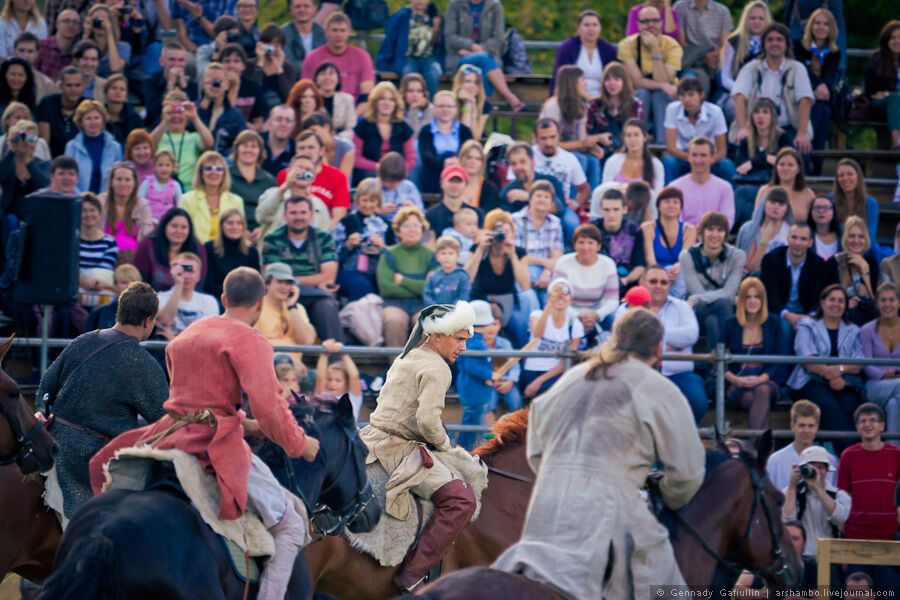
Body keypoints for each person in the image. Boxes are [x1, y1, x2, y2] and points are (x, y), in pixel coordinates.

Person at [90, 267, 319, 600]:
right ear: (260, 304)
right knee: (292, 525)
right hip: (213, 442)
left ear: (224, 299)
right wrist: (302, 445)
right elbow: (270, 412)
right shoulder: (251, 339)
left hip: (168, 433)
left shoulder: (188, 334)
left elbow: (201, 396)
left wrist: (241, 419)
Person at [494, 307, 704, 598]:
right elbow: (687, 474)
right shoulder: (661, 389)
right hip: (614, 512)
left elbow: (536, 448)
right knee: (670, 592)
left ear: (615, 338)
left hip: (546, 508)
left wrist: (556, 477)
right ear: (659, 347)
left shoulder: (572, 376)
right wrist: (666, 493)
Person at [358, 300, 481, 592]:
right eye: (459, 338)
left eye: (466, 339)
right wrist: (446, 445)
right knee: (462, 500)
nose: (463, 347)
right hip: (398, 451)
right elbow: (427, 422)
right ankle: (411, 576)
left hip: (370, 438)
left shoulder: (407, 356)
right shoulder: (437, 367)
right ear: (437, 335)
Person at [39, 282, 168, 519]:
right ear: (148, 320)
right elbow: (165, 421)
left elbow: (46, 387)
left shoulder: (83, 340)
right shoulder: (141, 363)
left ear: (119, 311)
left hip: (54, 444)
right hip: (95, 463)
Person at [260, 194, 344, 344]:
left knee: (327, 305)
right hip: (283, 295)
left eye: (303, 213)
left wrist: (291, 280)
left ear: (311, 215)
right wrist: (312, 283)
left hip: (315, 298)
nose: (298, 217)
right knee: (324, 296)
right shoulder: (272, 239)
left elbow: (328, 277)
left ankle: (336, 362)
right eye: (293, 213)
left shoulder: (323, 238)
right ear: (285, 215)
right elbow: (271, 276)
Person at [632, 264, 708, 422]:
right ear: (642, 283)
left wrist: (649, 337)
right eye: (653, 281)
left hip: (678, 373)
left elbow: (691, 335)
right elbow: (628, 338)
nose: (658, 286)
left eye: (664, 282)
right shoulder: (629, 306)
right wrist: (670, 343)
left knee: (697, 401)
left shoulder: (682, 307)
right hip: (639, 373)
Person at [788, 284, 865, 437]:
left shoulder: (853, 330)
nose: (836, 304)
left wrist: (840, 371)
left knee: (851, 406)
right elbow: (808, 360)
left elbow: (859, 362)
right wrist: (831, 374)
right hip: (810, 381)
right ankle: (849, 454)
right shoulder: (806, 325)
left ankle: (845, 454)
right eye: (832, 300)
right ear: (822, 303)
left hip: (844, 382)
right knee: (828, 406)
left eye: (841, 301)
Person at [731, 23, 814, 155]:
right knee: (740, 151)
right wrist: (742, 128)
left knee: (800, 152)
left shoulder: (797, 68)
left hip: (788, 128)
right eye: (770, 39)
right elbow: (739, 97)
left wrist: (802, 133)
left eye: (779, 39)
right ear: (763, 44)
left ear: (786, 44)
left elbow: (806, 99)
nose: (774, 43)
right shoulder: (751, 68)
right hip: (756, 128)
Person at [466, 208, 536, 348]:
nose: (501, 236)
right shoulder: (477, 249)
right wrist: (480, 250)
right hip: (481, 299)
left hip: (508, 300)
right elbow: (467, 279)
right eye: (497, 232)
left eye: (506, 232)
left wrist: (512, 255)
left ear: (512, 233)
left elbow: (525, 286)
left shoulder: (518, 252)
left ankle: (523, 355)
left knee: (520, 319)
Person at [761, 222, 828, 362]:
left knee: (810, 329)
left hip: (807, 314)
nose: (798, 243)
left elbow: (818, 298)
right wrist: (787, 315)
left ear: (810, 243)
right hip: (778, 312)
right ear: (788, 238)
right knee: (784, 328)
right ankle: (780, 378)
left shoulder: (818, 264)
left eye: (803, 239)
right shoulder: (771, 260)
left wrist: (807, 317)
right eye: (794, 237)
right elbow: (770, 295)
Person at [617, 5, 683, 144]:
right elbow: (637, 82)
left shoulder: (672, 45)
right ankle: (637, 142)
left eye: (655, 20)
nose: (651, 25)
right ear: (638, 24)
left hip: (666, 96)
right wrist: (663, 85)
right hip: (637, 94)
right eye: (645, 21)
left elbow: (665, 79)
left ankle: (663, 145)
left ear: (661, 22)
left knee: (660, 95)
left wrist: (655, 50)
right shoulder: (626, 45)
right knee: (643, 94)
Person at [721, 277, 781, 429]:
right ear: (741, 300)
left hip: (765, 379)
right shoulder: (729, 324)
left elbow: (779, 361)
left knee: (763, 390)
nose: (752, 301)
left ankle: (751, 446)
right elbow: (717, 358)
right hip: (737, 383)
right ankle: (762, 450)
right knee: (758, 401)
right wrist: (734, 379)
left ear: (763, 300)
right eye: (748, 297)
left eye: (757, 297)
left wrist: (761, 378)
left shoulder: (773, 323)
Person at [680, 211, 746, 348]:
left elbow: (727, 292)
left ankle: (714, 365)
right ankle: (729, 359)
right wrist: (730, 298)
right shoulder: (687, 257)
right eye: (710, 229)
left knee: (713, 321)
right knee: (722, 304)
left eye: (720, 230)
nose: (715, 235)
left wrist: (695, 299)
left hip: (721, 311)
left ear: (725, 235)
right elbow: (696, 292)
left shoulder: (738, 256)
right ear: (702, 233)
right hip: (699, 312)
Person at [443, 0, 523, 110]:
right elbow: (449, 36)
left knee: (483, 64)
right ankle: (509, 98)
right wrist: (471, 46)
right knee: (483, 59)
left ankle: (479, 110)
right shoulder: (455, 5)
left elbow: (498, 39)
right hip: (459, 58)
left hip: (488, 56)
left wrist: (479, 50)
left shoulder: (495, 6)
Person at [839, 403, 900, 545]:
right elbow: (843, 495)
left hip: (891, 536)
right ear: (857, 427)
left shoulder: (897, 455)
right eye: (862, 421)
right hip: (855, 535)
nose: (867, 424)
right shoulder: (848, 455)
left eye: (873, 420)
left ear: (882, 426)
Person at [377, 206, 434, 348]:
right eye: (406, 226)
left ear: (422, 229)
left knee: (424, 323)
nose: (412, 229)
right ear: (398, 231)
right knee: (394, 321)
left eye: (416, 225)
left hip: (423, 303)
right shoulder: (388, 253)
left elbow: (431, 289)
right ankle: (396, 368)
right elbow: (386, 287)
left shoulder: (431, 255)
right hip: (394, 302)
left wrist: (403, 280)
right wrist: (419, 285)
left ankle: (419, 368)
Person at [519, 278, 583, 399]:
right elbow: (538, 335)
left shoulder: (574, 324)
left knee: (548, 394)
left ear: (571, 299)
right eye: (556, 291)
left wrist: (539, 381)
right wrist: (551, 302)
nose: (560, 295)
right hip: (532, 368)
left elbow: (568, 359)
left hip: (554, 372)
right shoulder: (537, 315)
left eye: (565, 292)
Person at [782, 445, 851, 557]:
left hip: (828, 557)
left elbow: (839, 518)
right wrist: (792, 486)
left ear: (827, 469)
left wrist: (818, 489)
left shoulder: (839, 495)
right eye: (811, 467)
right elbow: (787, 519)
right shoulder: (791, 491)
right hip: (799, 558)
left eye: (820, 467)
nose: (816, 472)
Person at [662, 77, 734, 184]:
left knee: (726, 165)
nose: (686, 99)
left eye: (691, 95)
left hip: (709, 157)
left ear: (701, 95)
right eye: (682, 95)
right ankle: (669, 197)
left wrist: (704, 160)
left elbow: (722, 151)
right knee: (669, 162)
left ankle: (731, 197)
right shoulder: (671, 109)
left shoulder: (715, 112)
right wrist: (693, 159)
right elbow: (671, 148)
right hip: (683, 156)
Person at [793, 8, 840, 168]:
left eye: (825, 24)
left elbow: (830, 75)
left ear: (831, 28)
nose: (821, 27)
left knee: (823, 109)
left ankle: (816, 160)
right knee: (819, 109)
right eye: (817, 23)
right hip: (800, 93)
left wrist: (823, 86)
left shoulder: (834, 52)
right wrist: (817, 85)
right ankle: (809, 161)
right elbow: (801, 70)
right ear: (810, 26)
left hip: (821, 97)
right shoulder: (798, 46)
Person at [730, 97, 788, 227]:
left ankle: (727, 228)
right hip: (751, 183)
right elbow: (741, 167)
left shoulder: (782, 138)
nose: (760, 116)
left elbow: (785, 161)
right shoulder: (746, 140)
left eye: (765, 112)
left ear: (772, 116)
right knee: (747, 207)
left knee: (742, 194)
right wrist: (767, 159)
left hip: (773, 185)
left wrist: (754, 163)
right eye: (757, 112)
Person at [332, 177, 392, 301]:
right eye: (364, 200)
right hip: (349, 271)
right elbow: (333, 254)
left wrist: (383, 247)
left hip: (378, 271)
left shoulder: (386, 225)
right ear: (357, 200)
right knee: (361, 285)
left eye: (372, 201)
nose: (368, 205)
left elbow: (395, 255)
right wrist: (348, 245)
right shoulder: (346, 222)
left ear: (378, 202)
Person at [531, 117, 589, 236]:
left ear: (559, 136)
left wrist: (576, 204)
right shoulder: (528, 155)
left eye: (552, 137)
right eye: (543, 138)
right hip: (533, 204)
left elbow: (584, 189)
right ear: (536, 138)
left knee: (572, 225)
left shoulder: (569, 159)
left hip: (561, 205)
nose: (548, 143)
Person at [300, 11, 373, 102]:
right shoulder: (312, 57)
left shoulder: (363, 57)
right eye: (334, 30)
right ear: (326, 32)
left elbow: (367, 96)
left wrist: (353, 115)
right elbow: (306, 92)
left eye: (342, 30)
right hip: (321, 108)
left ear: (349, 32)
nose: (339, 35)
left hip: (354, 109)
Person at [352, 81, 415, 184]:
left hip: (396, 173)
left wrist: (397, 169)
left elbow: (411, 159)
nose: (387, 103)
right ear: (375, 102)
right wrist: (377, 167)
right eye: (382, 99)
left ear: (395, 104)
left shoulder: (404, 127)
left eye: (391, 100)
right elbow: (355, 157)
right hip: (370, 173)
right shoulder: (362, 126)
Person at [766, 400, 838, 491]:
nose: (806, 431)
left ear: (817, 427)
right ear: (792, 426)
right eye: (802, 425)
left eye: (811, 426)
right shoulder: (775, 461)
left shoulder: (831, 462)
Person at [151, 89, 214, 192]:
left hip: (189, 191)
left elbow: (209, 143)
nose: (176, 116)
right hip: (161, 192)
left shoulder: (194, 137)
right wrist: (165, 121)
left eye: (180, 111)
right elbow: (149, 145)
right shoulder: (159, 135)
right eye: (172, 112)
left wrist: (195, 117)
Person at [256, 261, 316, 368]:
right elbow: (256, 344)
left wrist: (291, 307)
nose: (284, 287)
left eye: (288, 283)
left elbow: (308, 340)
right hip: (267, 365)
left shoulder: (297, 309)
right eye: (280, 282)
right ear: (267, 283)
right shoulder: (255, 307)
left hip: (295, 370)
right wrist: (288, 358)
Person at [376, 0, 443, 97]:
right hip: (408, 58)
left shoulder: (433, 16)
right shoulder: (401, 16)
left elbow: (438, 44)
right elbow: (390, 41)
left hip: (428, 58)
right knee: (408, 76)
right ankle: (407, 104)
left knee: (432, 76)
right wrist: (384, 61)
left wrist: (436, 28)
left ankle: (428, 104)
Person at [513, 181, 563, 306]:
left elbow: (557, 256)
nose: (542, 200)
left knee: (552, 299)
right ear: (530, 199)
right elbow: (517, 255)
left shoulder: (555, 223)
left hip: (547, 272)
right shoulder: (516, 220)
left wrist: (547, 272)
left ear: (552, 203)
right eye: (539, 196)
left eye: (546, 197)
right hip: (522, 269)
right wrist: (545, 262)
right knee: (531, 300)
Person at [256, 155, 331, 240]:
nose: (303, 173)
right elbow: (261, 217)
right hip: (275, 250)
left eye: (308, 170)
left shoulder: (319, 206)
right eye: (299, 168)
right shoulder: (272, 193)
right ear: (288, 172)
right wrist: (285, 187)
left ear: (313, 178)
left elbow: (325, 238)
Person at [641, 186, 696, 299]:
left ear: (681, 208)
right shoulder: (648, 227)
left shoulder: (689, 229)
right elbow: (650, 260)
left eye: (675, 202)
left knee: (682, 274)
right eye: (666, 202)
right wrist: (663, 274)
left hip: (678, 273)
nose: (671, 205)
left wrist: (676, 268)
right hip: (655, 272)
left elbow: (684, 257)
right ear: (659, 206)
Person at [179, 150, 245, 244]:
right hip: (196, 252)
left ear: (224, 173)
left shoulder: (236, 201)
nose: (214, 172)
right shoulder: (186, 200)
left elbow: (239, 234)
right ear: (201, 173)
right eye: (208, 168)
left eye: (219, 169)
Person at [455, 299, 496, 450]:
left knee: (474, 421)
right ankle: (464, 450)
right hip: (474, 391)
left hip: (472, 389)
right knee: (471, 423)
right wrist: (490, 374)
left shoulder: (470, 340)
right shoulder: (477, 343)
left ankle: (468, 447)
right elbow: (472, 366)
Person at [824, 216, 880, 326]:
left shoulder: (871, 262)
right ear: (845, 238)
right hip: (840, 316)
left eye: (861, 236)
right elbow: (825, 297)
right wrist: (845, 304)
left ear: (866, 239)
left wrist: (865, 270)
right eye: (852, 236)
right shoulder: (833, 263)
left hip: (867, 317)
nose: (856, 240)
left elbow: (874, 301)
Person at [721, 1, 771, 120]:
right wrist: (742, 91)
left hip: (767, 91)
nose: (756, 22)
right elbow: (725, 77)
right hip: (738, 91)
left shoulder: (773, 41)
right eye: (752, 18)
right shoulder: (733, 41)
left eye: (761, 18)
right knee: (733, 107)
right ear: (746, 19)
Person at [670, 136, 734, 229]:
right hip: (684, 239)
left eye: (703, 155)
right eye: (694, 155)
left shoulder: (725, 188)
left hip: (715, 238)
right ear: (688, 157)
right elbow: (673, 221)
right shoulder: (675, 187)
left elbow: (727, 221)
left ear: (712, 158)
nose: (698, 160)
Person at [590, 188, 646, 295]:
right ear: (601, 210)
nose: (611, 214)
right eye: (607, 210)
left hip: (626, 284)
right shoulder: (591, 229)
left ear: (624, 209)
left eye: (616, 209)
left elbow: (640, 266)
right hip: (595, 282)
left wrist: (626, 280)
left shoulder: (634, 231)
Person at [860, 283, 900, 432]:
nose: (887, 304)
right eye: (883, 300)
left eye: (891, 300)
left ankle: (894, 450)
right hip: (875, 385)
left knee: (893, 405)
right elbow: (867, 365)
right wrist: (884, 374)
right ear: (877, 303)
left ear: (899, 302)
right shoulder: (867, 330)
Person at [550, 10, 617, 97]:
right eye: (586, 25)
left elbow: (615, 77)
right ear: (579, 28)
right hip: (574, 98)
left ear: (600, 28)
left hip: (603, 98)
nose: (591, 29)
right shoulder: (567, 48)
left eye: (595, 25)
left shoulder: (608, 50)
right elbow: (559, 77)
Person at [417, 90, 472, 194]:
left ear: (456, 109)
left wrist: (458, 162)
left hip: (459, 173)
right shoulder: (426, 131)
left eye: (449, 106)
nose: (445, 110)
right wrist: (444, 163)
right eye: (441, 106)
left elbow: (468, 152)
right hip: (434, 174)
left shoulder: (465, 131)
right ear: (434, 108)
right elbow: (426, 156)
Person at [156, 251, 220, 339]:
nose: (186, 276)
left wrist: (173, 339)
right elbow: (166, 321)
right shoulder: (161, 297)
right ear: (173, 272)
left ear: (199, 276)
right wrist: (178, 284)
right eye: (182, 270)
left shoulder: (209, 301)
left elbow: (208, 336)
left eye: (191, 271)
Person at [586, 62, 644, 158]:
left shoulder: (636, 104)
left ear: (624, 82)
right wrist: (598, 142)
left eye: (616, 79)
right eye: (608, 80)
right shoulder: (594, 104)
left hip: (627, 149)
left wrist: (617, 152)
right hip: (599, 149)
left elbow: (636, 134)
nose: (612, 84)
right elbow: (587, 133)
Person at [97, 161, 154, 260]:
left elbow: (146, 237)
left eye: (127, 180)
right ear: (111, 182)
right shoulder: (100, 202)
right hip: (104, 256)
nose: (123, 183)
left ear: (135, 183)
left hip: (135, 258)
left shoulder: (143, 205)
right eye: (118, 179)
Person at [65, 99, 121, 193]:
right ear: (81, 122)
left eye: (96, 118)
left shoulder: (115, 147)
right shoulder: (71, 147)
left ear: (103, 120)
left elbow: (118, 176)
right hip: (78, 198)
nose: (93, 122)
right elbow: (67, 177)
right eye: (88, 118)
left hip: (107, 200)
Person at [203, 208, 260, 301]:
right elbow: (207, 283)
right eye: (230, 223)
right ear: (221, 226)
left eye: (239, 223)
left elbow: (254, 283)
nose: (234, 227)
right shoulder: (208, 248)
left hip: (244, 301)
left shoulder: (252, 252)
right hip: (215, 299)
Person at [226, 129, 274, 238]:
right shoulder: (225, 176)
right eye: (245, 145)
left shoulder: (269, 180)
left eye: (253, 146)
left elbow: (273, 210)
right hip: (232, 230)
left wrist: (263, 229)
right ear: (236, 149)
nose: (249, 150)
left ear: (260, 152)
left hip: (261, 234)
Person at [736, 186, 793, 275]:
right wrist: (764, 241)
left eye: (781, 204)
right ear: (764, 204)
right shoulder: (750, 229)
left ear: (787, 208)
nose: (776, 207)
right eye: (772, 202)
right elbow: (752, 269)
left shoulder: (791, 231)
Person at [499, 141, 565, 215]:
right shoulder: (508, 191)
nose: (518, 167)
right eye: (513, 164)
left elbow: (559, 210)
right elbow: (506, 220)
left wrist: (528, 196)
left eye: (522, 162)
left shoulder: (551, 182)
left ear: (532, 163)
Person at [601, 118, 664, 196]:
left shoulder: (656, 164)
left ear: (644, 137)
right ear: (623, 139)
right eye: (628, 135)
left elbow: (657, 196)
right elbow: (605, 190)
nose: (632, 140)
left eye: (636, 135)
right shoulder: (613, 162)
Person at [196, 61, 246, 155]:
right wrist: (206, 97)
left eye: (219, 81)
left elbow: (240, 144)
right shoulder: (193, 110)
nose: (215, 85)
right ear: (203, 83)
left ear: (227, 85)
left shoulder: (235, 115)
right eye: (211, 81)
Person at [0, 118, 48, 215]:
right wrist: (12, 150)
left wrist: (27, 161)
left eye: (33, 139)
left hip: (35, 218)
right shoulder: (8, 163)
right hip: (7, 218)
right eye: (24, 138)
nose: (29, 143)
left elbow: (46, 186)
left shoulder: (43, 164)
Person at [35, 65, 85, 157]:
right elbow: (44, 143)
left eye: (77, 85)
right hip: (52, 161)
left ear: (83, 86)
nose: (73, 89)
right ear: (61, 86)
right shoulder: (47, 103)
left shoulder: (88, 105)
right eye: (68, 85)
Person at [864, 21, 900, 149]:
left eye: (899, 37)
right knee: (895, 99)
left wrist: (891, 93)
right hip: (880, 105)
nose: (897, 41)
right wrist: (890, 95)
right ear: (886, 40)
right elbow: (869, 92)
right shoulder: (877, 59)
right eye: (893, 38)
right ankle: (897, 141)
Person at [425, 164, 484, 242]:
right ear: (442, 183)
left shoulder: (477, 214)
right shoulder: (430, 215)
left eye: (458, 181)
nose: (454, 186)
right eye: (451, 181)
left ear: (466, 184)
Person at [246, 25, 297, 115]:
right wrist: (260, 64)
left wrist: (279, 70)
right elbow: (251, 95)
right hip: (257, 115)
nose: (273, 48)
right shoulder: (250, 65)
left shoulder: (288, 67)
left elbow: (290, 99)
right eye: (270, 44)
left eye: (277, 45)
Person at [78, 193, 118, 304]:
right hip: (76, 287)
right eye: (84, 211)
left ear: (99, 213)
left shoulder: (109, 242)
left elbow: (104, 271)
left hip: (101, 289)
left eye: (92, 210)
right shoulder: (72, 241)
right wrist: (81, 280)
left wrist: (95, 282)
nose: (88, 214)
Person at [831, 158, 880, 246]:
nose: (845, 178)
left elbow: (870, 237)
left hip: (864, 250)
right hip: (838, 251)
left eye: (850, 174)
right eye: (841, 175)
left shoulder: (871, 203)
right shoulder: (830, 200)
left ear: (858, 176)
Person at [85, 264, 142, 331]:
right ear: (115, 286)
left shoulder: (147, 313)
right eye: (124, 282)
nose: (130, 285)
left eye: (134, 282)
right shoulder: (99, 312)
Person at [315, 338, 363, 419]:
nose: (332, 384)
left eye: (338, 381)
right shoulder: (323, 396)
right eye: (329, 379)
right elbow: (320, 378)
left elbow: (354, 377)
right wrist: (324, 354)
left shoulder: (352, 397)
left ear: (347, 383)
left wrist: (343, 352)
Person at [300, 111, 355, 178]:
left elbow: (342, 179)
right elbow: (308, 177)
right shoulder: (310, 150)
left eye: (314, 131)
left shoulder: (346, 148)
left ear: (326, 127)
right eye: (309, 133)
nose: (312, 136)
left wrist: (323, 158)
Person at [33, 8, 79, 80]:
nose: (71, 25)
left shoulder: (77, 53)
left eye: (75, 22)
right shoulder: (42, 46)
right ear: (56, 25)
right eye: (66, 21)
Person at [424, 235, 470, 306]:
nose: (447, 257)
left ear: (458, 257)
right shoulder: (433, 276)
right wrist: (436, 308)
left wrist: (451, 308)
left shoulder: (463, 276)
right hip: (436, 312)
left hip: (456, 312)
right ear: (437, 257)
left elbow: (464, 295)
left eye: (451, 253)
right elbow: (427, 295)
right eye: (443, 253)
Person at [312, 61, 356, 135]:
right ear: (316, 80)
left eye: (331, 74)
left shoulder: (347, 99)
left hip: (341, 140)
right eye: (323, 74)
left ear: (338, 79)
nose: (327, 78)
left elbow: (350, 128)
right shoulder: (311, 98)